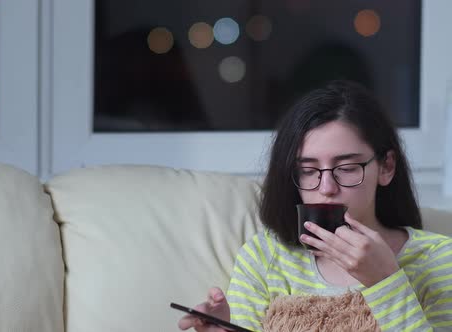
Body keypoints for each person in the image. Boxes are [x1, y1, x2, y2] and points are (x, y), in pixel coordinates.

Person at [178, 80, 452, 331]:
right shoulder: (265, 258)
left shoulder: (439, 260)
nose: (326, 189)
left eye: (346, 167)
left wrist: (385, 281)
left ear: (386, 167)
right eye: (308, 170)